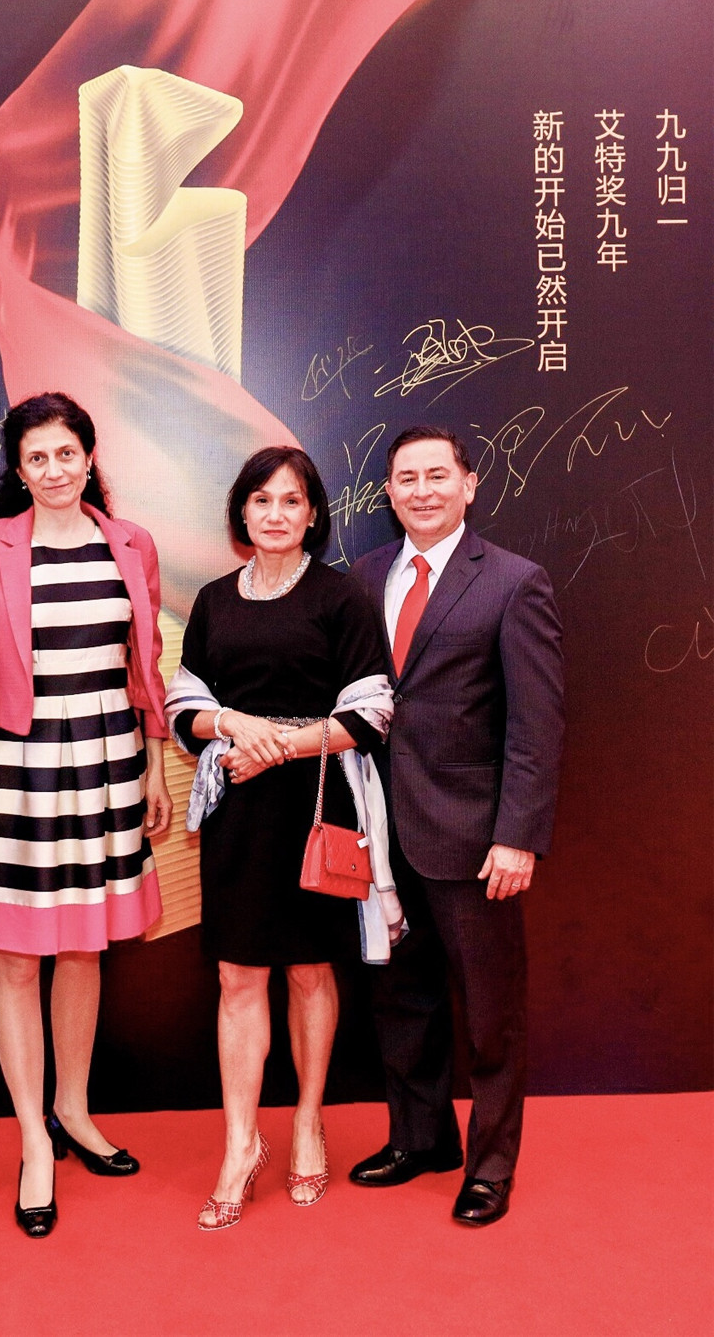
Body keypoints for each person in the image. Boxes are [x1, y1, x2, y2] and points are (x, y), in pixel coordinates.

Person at [0, 392, 172, 1238]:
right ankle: (34, 1140)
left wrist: (156, 767)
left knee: (83, 945)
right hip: (13, 769)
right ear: (17, 468)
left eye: (66, 454)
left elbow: (145, 665)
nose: (53, 471)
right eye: (36, 458)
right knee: (15, 956)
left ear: (89, 457)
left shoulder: (131, 543)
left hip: (108, 764)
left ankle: (74, 1111)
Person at [164, 447, 398, 1231]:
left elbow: (372, 712)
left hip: (317, 805)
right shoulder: (213, 600)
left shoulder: (340, 597)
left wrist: (279, 748)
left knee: (307, 970)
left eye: (290, 500)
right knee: (237, 976)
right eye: (261, 499)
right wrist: (233, 723)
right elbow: (183, 706)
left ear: (312, 513)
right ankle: (240, 1142)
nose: (274, 513)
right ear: (242, 510)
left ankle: (306, 1120)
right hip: (237, 810)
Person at [348, 425, 564, 1226]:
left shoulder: (514, 582)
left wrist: (518, 836)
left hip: (475, 840)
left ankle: (490, 1167)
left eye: (438, 475)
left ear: (470, 485)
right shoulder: (364, 577)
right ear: (389, 492)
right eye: (406, 478)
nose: (422, 491)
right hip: (380, 835)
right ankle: (420, 1140)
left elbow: (536, 726)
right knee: (401, 1000)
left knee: (491, 1012)